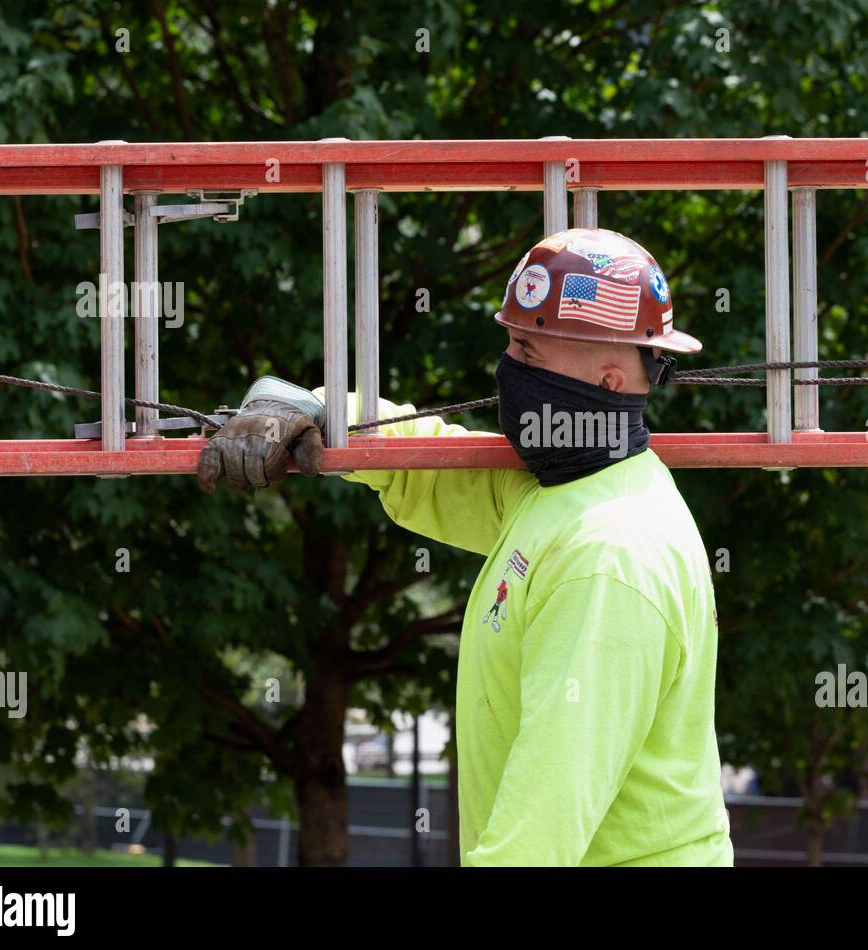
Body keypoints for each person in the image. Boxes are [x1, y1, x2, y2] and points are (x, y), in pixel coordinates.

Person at [197, 227, 734, 866]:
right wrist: (316, 408)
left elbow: (541, 831)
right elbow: (429, 463)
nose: (509, 375)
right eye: (509, 347)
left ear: (611, 382)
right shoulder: (565, 491)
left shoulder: (607, 556)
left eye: (528, 355)